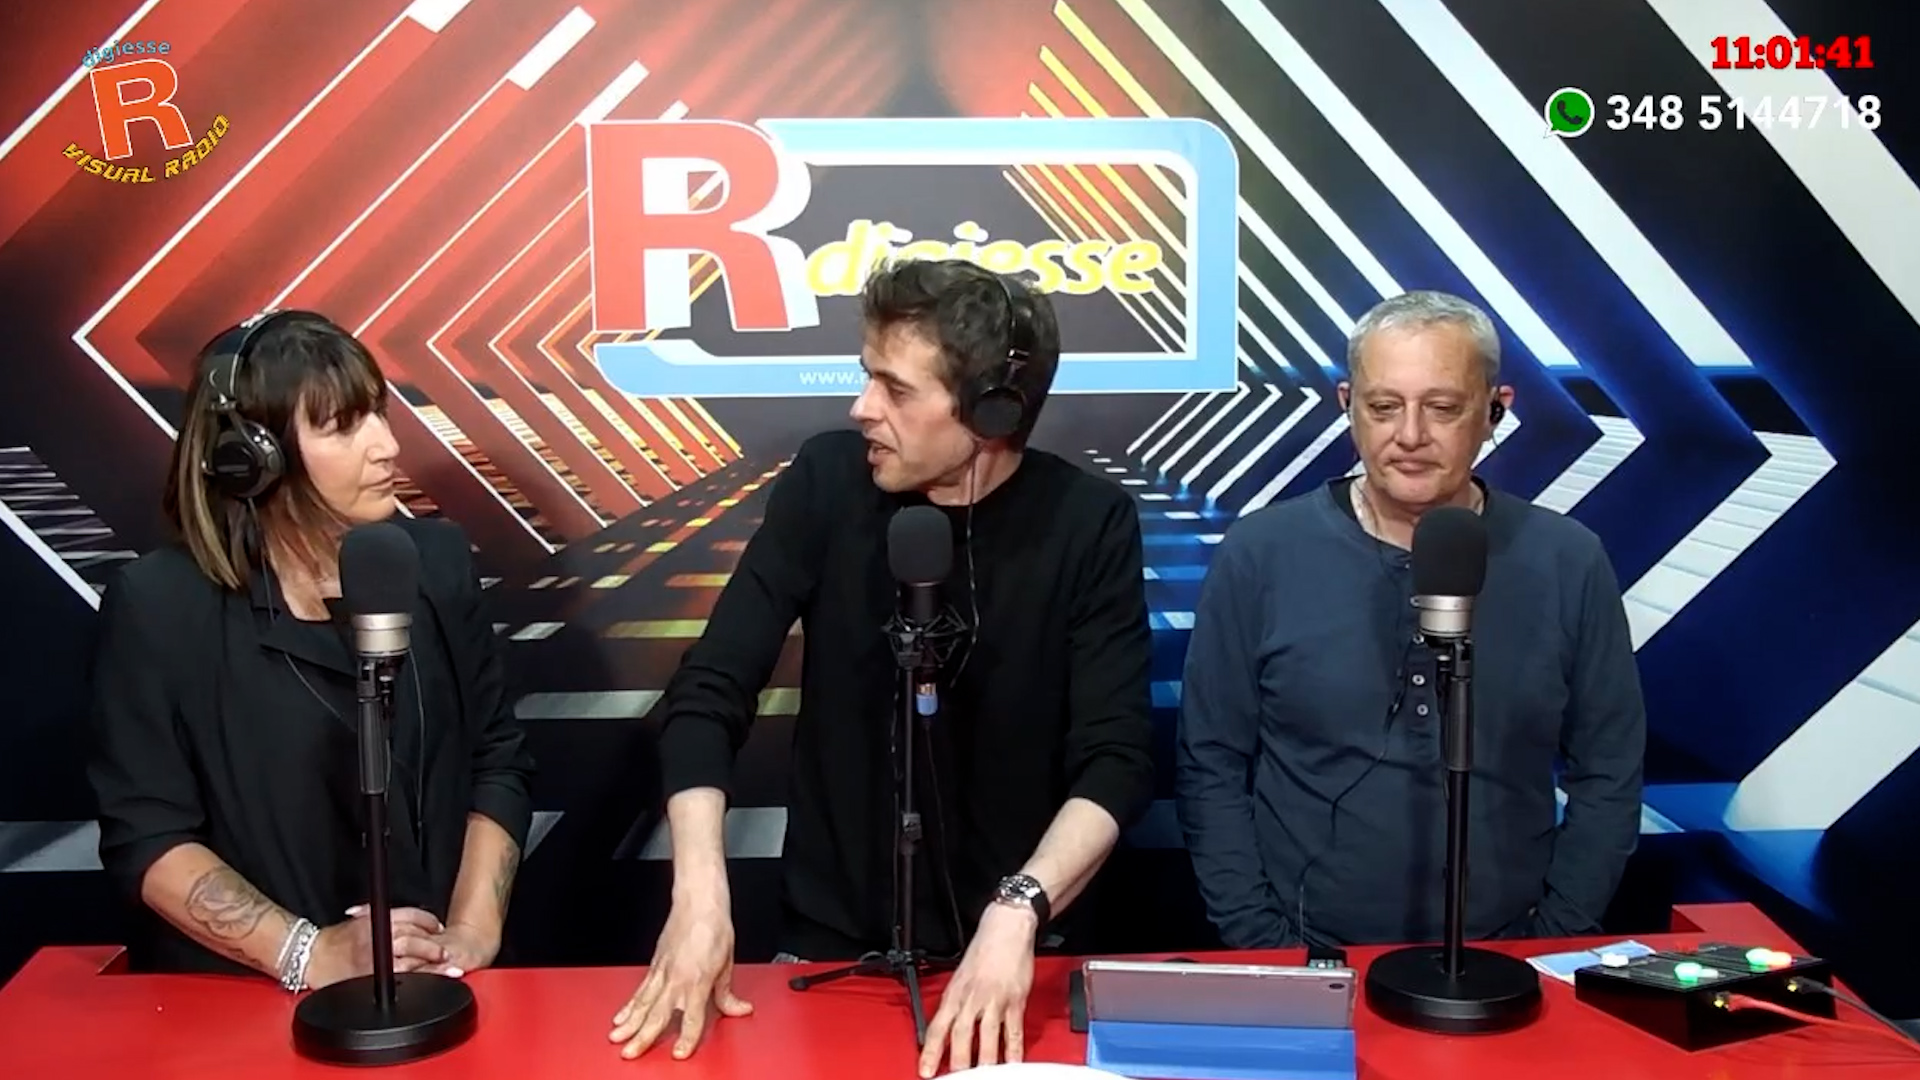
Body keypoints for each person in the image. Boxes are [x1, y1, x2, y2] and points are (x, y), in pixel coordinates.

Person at [607, 258, 1155, 1076]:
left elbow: (1116, 759)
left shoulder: (1089, 523)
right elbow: (710, 689)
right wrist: (699, 894)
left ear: (992, 411)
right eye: (868, 377)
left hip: (1022, 951)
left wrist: (1020, 910)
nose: (862, 408)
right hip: (830, 945)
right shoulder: (825, 483)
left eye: (895, 390)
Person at [1175, 289, 1645, 950]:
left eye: (1443, 408)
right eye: (1383, 407)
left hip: (1510, 954)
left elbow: (1609, 769)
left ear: (1495, 410)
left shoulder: (1569, 560)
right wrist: (1264, 942)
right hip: (1306, 954)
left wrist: (1553, 936)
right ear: (1348, 406)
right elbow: (1211, 763)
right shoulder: (1260, 553)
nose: (1411, 435)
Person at [85, 310, 535, 990]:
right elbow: (148, 835)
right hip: (244, 1004)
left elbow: (496, 760)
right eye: (343, 426)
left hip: (439, 986)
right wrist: (309, 953)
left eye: (379, 413)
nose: (387, 445)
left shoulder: (437, 563)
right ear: (250, 458)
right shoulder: (159, 605)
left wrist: (470, 934)